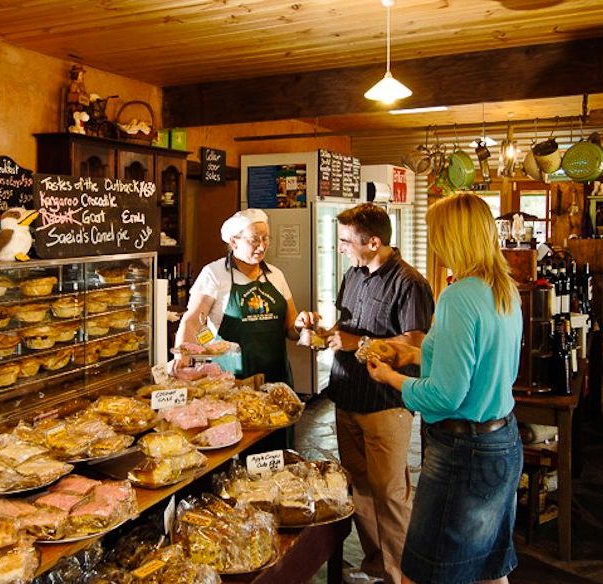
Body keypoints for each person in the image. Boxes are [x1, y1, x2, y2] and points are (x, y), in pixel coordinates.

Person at [366, 193, 524, 584]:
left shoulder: (458, 296)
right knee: (490, 569)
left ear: (453, 236)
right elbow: (483, 366)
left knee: (420, 573)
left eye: (436, 232)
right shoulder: (503, 288)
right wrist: (415, 355)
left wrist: (390, 377)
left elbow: (446, 395)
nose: (433, 242)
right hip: (503, 442)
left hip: (462, 452)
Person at [297, 203, 434, 584]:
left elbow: (415, 344)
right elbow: (346, 326)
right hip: (346, 397)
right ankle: (376, 564)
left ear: (374, 242)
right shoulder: (353, 274)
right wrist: (322, 333)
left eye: (346, 241)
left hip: (385, 405)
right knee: (359, 491)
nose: (340, 247)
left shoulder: (411, 283)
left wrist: (354, 341)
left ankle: (402, 576)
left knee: (390, 495)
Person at [175, 208, 302, 384]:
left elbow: (291, 327)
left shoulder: (276, 275)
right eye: (254, 240)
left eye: (265, 238)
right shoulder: (214, 273)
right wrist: (182, 355)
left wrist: (303, 327)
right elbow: (193, 320)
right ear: (234, 242)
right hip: (230, 379)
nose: (262, 245)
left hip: (276, 376)